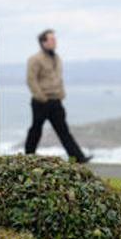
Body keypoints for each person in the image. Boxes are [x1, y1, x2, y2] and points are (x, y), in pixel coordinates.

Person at [24, 29, 91, 163]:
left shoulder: (57, 58)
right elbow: (31, 80)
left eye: (55, 39)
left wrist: (61, 94)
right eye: (51, 39)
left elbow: (58, 78)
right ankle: (28, 156)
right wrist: (42, 97)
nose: (55, 42)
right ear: (43, 42)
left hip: (56, 101)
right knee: (36, 129)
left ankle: (78, 157)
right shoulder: (35, 59)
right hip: (41, 102)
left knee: (64, 131)